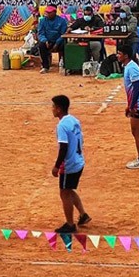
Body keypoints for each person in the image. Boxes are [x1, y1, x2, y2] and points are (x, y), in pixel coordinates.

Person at [50, 94, 89, 234]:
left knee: (64, 193)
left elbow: (64, 147)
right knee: (69, 190)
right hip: (79, 160)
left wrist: (57, 165)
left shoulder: (61, 126)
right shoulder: (74, 120)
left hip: (69, 165)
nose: (52, 109)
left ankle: (70, 224)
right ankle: (83, 215)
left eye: (53, 107)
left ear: (59, 109)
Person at [116, 44, 139, 169]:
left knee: (136, 131)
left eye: (119, 53)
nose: (118, 55)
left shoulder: (131, 68)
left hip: (137, 105)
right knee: (138, 130)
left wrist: (132, 106)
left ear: (126, 55)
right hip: (136, 104)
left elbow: (136, 88)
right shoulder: (129, 67)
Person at [37, 5, 68, 73]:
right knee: (41, 45)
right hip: (47, 41)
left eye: (49, 12)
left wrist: (57, 43)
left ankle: (64, 66)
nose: (47, 14)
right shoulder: (42, 21)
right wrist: (45, 40)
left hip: (58, 41)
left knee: (65, 45)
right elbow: (40, 33)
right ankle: (45, 66)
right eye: (47, 12)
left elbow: (63, 34)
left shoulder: (62, 21)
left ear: (55, 12)